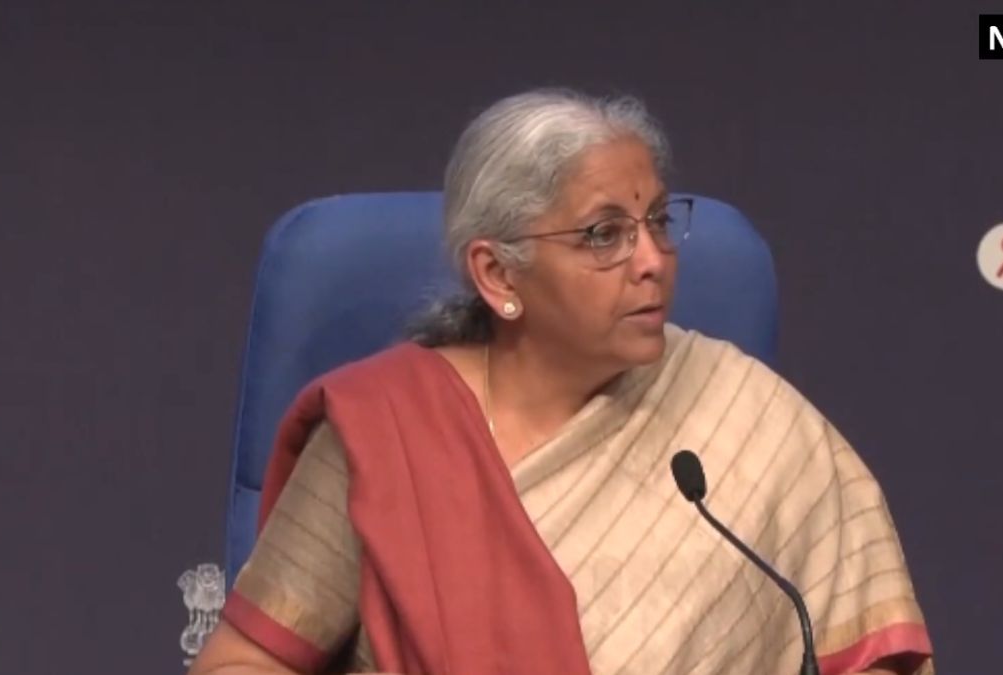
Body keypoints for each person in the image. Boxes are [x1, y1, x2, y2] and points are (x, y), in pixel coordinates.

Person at [189, 89, 934, 674]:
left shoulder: (746, 417)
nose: (651, 260)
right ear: (497, 272)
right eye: (604, 233)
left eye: (658, 222)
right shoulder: (386, 431)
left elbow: (872, 658)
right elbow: (245, 662)